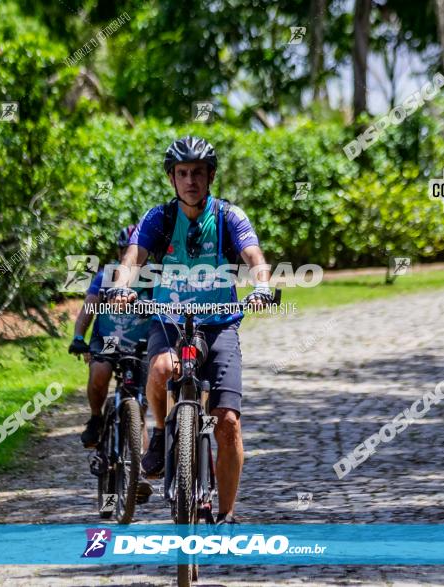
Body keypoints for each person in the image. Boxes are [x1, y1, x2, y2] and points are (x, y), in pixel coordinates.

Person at [106, 136, 273, 525]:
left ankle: (227, 513)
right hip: (170, 318)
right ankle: (163, 432)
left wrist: (261, 285)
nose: (190, 181)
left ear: (210, 176)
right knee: (162, 369)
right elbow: (134, 256)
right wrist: (121, 285)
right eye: (182, 173)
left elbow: (254, 256)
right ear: (172, 179)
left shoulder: (230, 217)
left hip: (221, 323)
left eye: (198, 172)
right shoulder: (158, 219)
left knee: (227, 420)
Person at [69, 225, 153, 500]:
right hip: (108, 341)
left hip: (141, 345)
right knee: (100, 372)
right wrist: (79, 336)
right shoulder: (106, 276)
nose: (127, 256)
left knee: (137, 406)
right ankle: (95, 419)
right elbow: (89, 306)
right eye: (123, 251)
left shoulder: (155, 278)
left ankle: (138, 472)